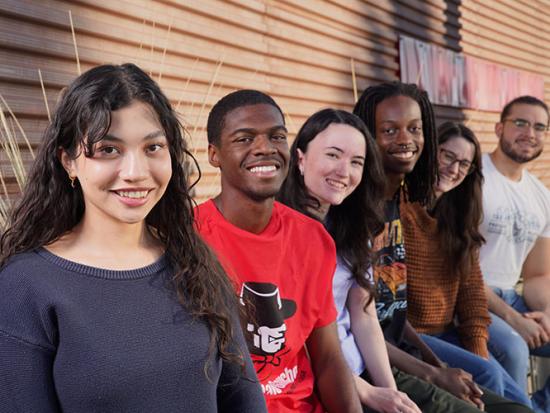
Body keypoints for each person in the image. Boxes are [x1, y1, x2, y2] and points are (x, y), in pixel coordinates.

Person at [0, 64, 265, 412]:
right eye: (108, 149)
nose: (136, 173)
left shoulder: (193, 263)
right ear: (69, 162)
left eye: (153, 147)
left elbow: (243, 400)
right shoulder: (25, 286)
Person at [353, 81, 534, 412]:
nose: (405, 139)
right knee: (491, 373)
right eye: (390, 130)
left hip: (413, 344)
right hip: (385, 359)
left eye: (414, 129)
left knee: (509, 394)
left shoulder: (420, 211)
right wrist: (433, 372)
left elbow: (394, 309)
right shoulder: (377, 209)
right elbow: (365, 320)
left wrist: (442, 365)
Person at [194, 90, 362, 412]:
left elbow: (327, 356)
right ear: (214, 155)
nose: (265, 148)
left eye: (277, 136)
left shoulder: (313, 237)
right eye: (244, 139)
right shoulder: (188, 240)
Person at [278, 108, 421, 413]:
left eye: (356, 162)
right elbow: (296, 341)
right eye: (333, 155)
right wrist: (369, 394)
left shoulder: (352, 226)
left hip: (362, 369)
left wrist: (389, 392)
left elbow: (364, 316)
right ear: (300, 159)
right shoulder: (280, 230)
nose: (345, 171)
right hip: (315, 383)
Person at [403, 121, 532, 406]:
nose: (454, 169)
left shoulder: (458, 218)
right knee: (488, 379)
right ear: (429, 152)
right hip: (410, 337)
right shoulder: (401, 208)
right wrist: (481, 368)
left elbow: (472, 296)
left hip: (448, 332)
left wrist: (478, 354)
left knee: (519, 402)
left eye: (464, 163)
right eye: (447, 156)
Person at [480, 95, 550, 413]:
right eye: (520, 122)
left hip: (513, 297)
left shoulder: (542, 196)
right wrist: (514, 321)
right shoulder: (474, 176)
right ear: (499, 128)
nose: (529, 133)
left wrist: (546, 312)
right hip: (469, 297)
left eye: (539, 127)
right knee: (515, 347)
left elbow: (537, 275)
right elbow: (457, 270)